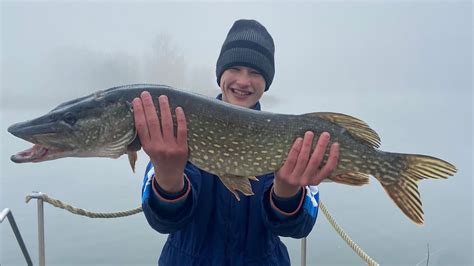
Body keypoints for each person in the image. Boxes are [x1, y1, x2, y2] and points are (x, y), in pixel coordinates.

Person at [132, 19, 340, 265]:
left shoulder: (286, 137)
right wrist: (168, 178)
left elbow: (299, 226)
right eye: (235, 69)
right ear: (220, 72)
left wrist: (286, 193)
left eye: (255, 72)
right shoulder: (180, 124)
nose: (243, 81)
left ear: (266, 82)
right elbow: (163, 220)